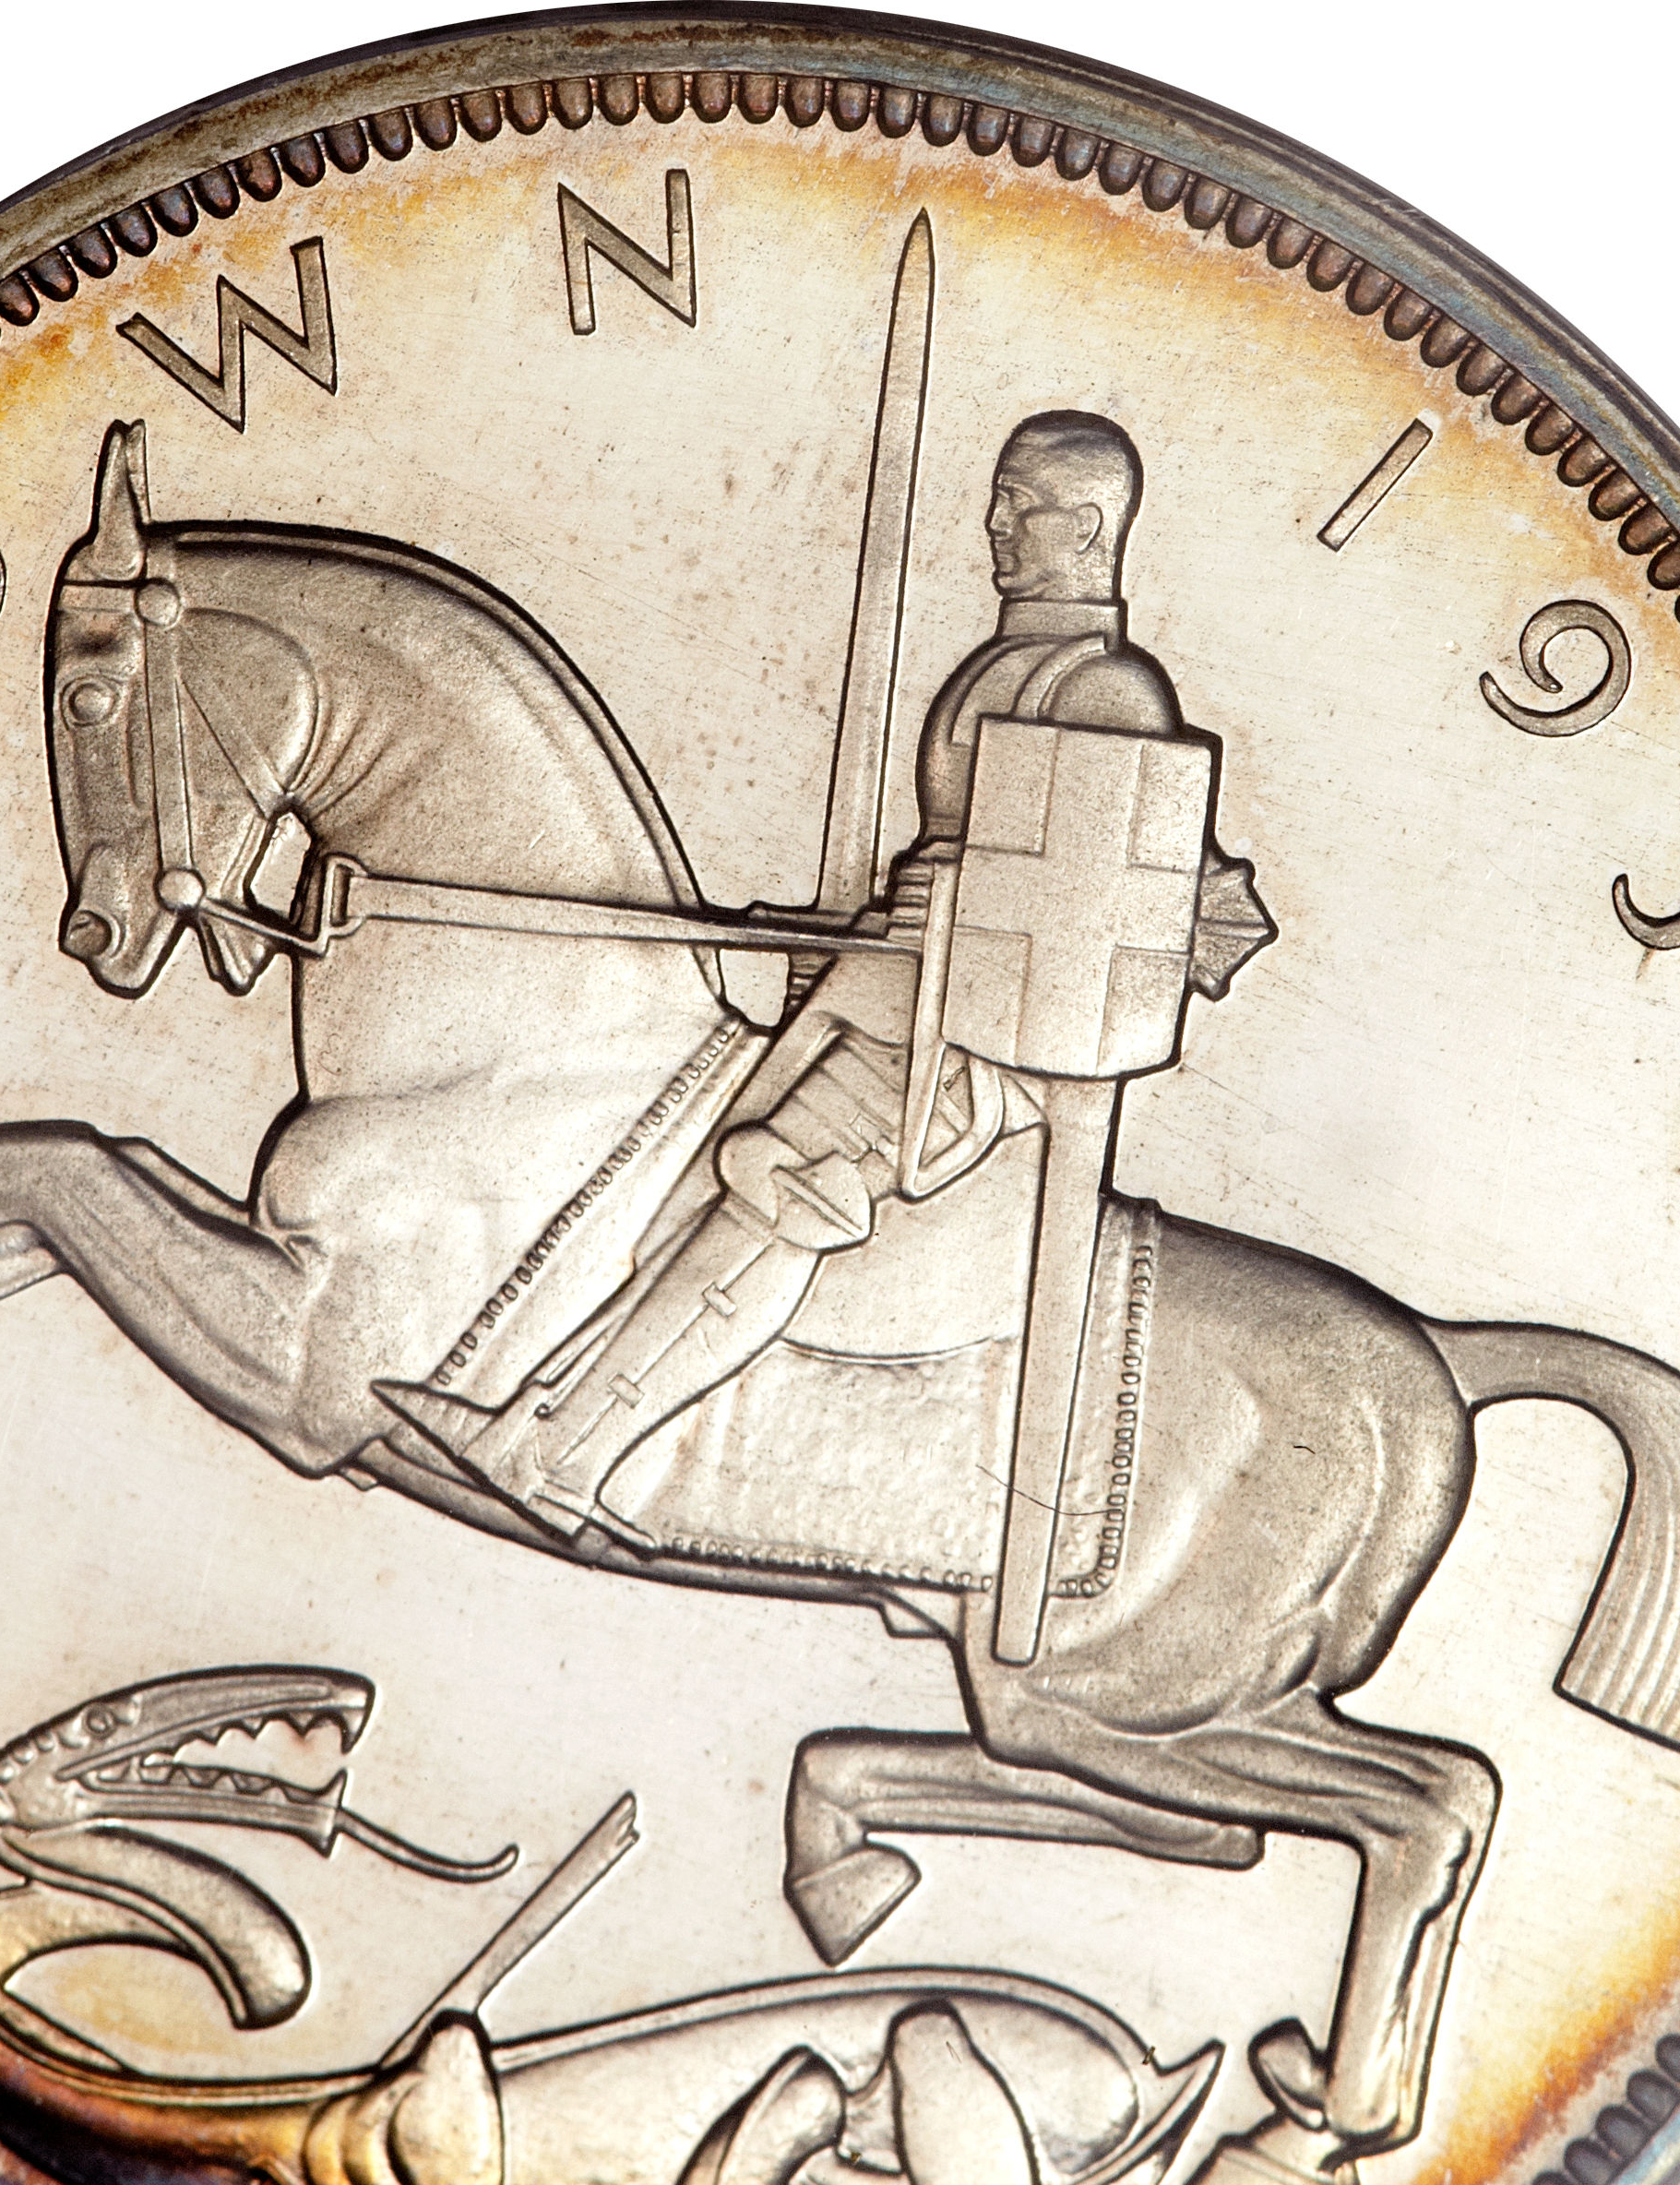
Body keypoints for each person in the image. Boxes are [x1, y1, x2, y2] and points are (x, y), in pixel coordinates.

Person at [389, 412, 1269, 1541]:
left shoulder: (1108, 691)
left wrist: (933, 919)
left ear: (1089, 527)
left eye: (1021, 503)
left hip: (979, 1041)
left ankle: (570, 1461)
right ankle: (528, 1419)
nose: (995, 522)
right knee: (690, 1169)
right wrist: (846, 930)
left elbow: (1094, 914)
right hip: (896, 991)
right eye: (997, 498)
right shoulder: (1007, 660)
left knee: (777, 1191)